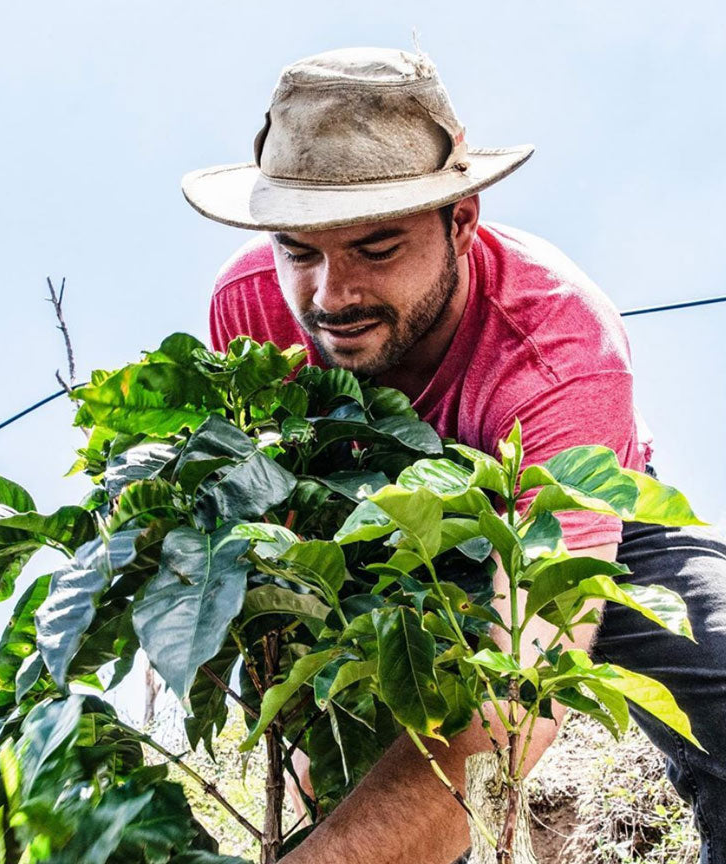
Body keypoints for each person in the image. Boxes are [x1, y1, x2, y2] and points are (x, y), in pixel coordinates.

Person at [182, 47, 726, 864]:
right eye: (300, 251)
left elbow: (518, 695)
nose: (330, 298)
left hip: (551, 516)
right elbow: (282, 538)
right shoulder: (247, 303)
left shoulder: (557, 346)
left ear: (462, 222)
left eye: (375, 248)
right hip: (368, 545)